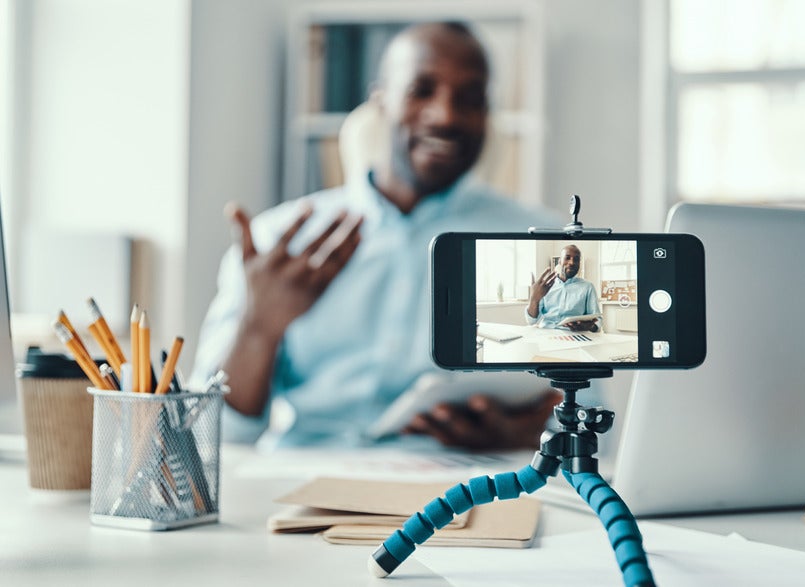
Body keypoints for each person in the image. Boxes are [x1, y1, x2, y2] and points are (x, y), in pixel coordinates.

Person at [191, 22, 563, 450]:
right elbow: (214, 437)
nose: (445, 116)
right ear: (381, 102)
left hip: (469, 480)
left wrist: (527, 436)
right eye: (421, 90)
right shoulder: (278, 242)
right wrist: (259, 328)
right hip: (303, 472)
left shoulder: (544, 245)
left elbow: (594, 430)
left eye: (470, 98)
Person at [525, 244, 601, 332]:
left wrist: (589, 327)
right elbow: (531, 321)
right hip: (547, 332)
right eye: (567, 258)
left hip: (574, 333)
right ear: (560, 261)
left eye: (576, 259)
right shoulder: (545, 286)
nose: (572, 262)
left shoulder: (588, 287)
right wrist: (534, 299)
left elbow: (597, 321)